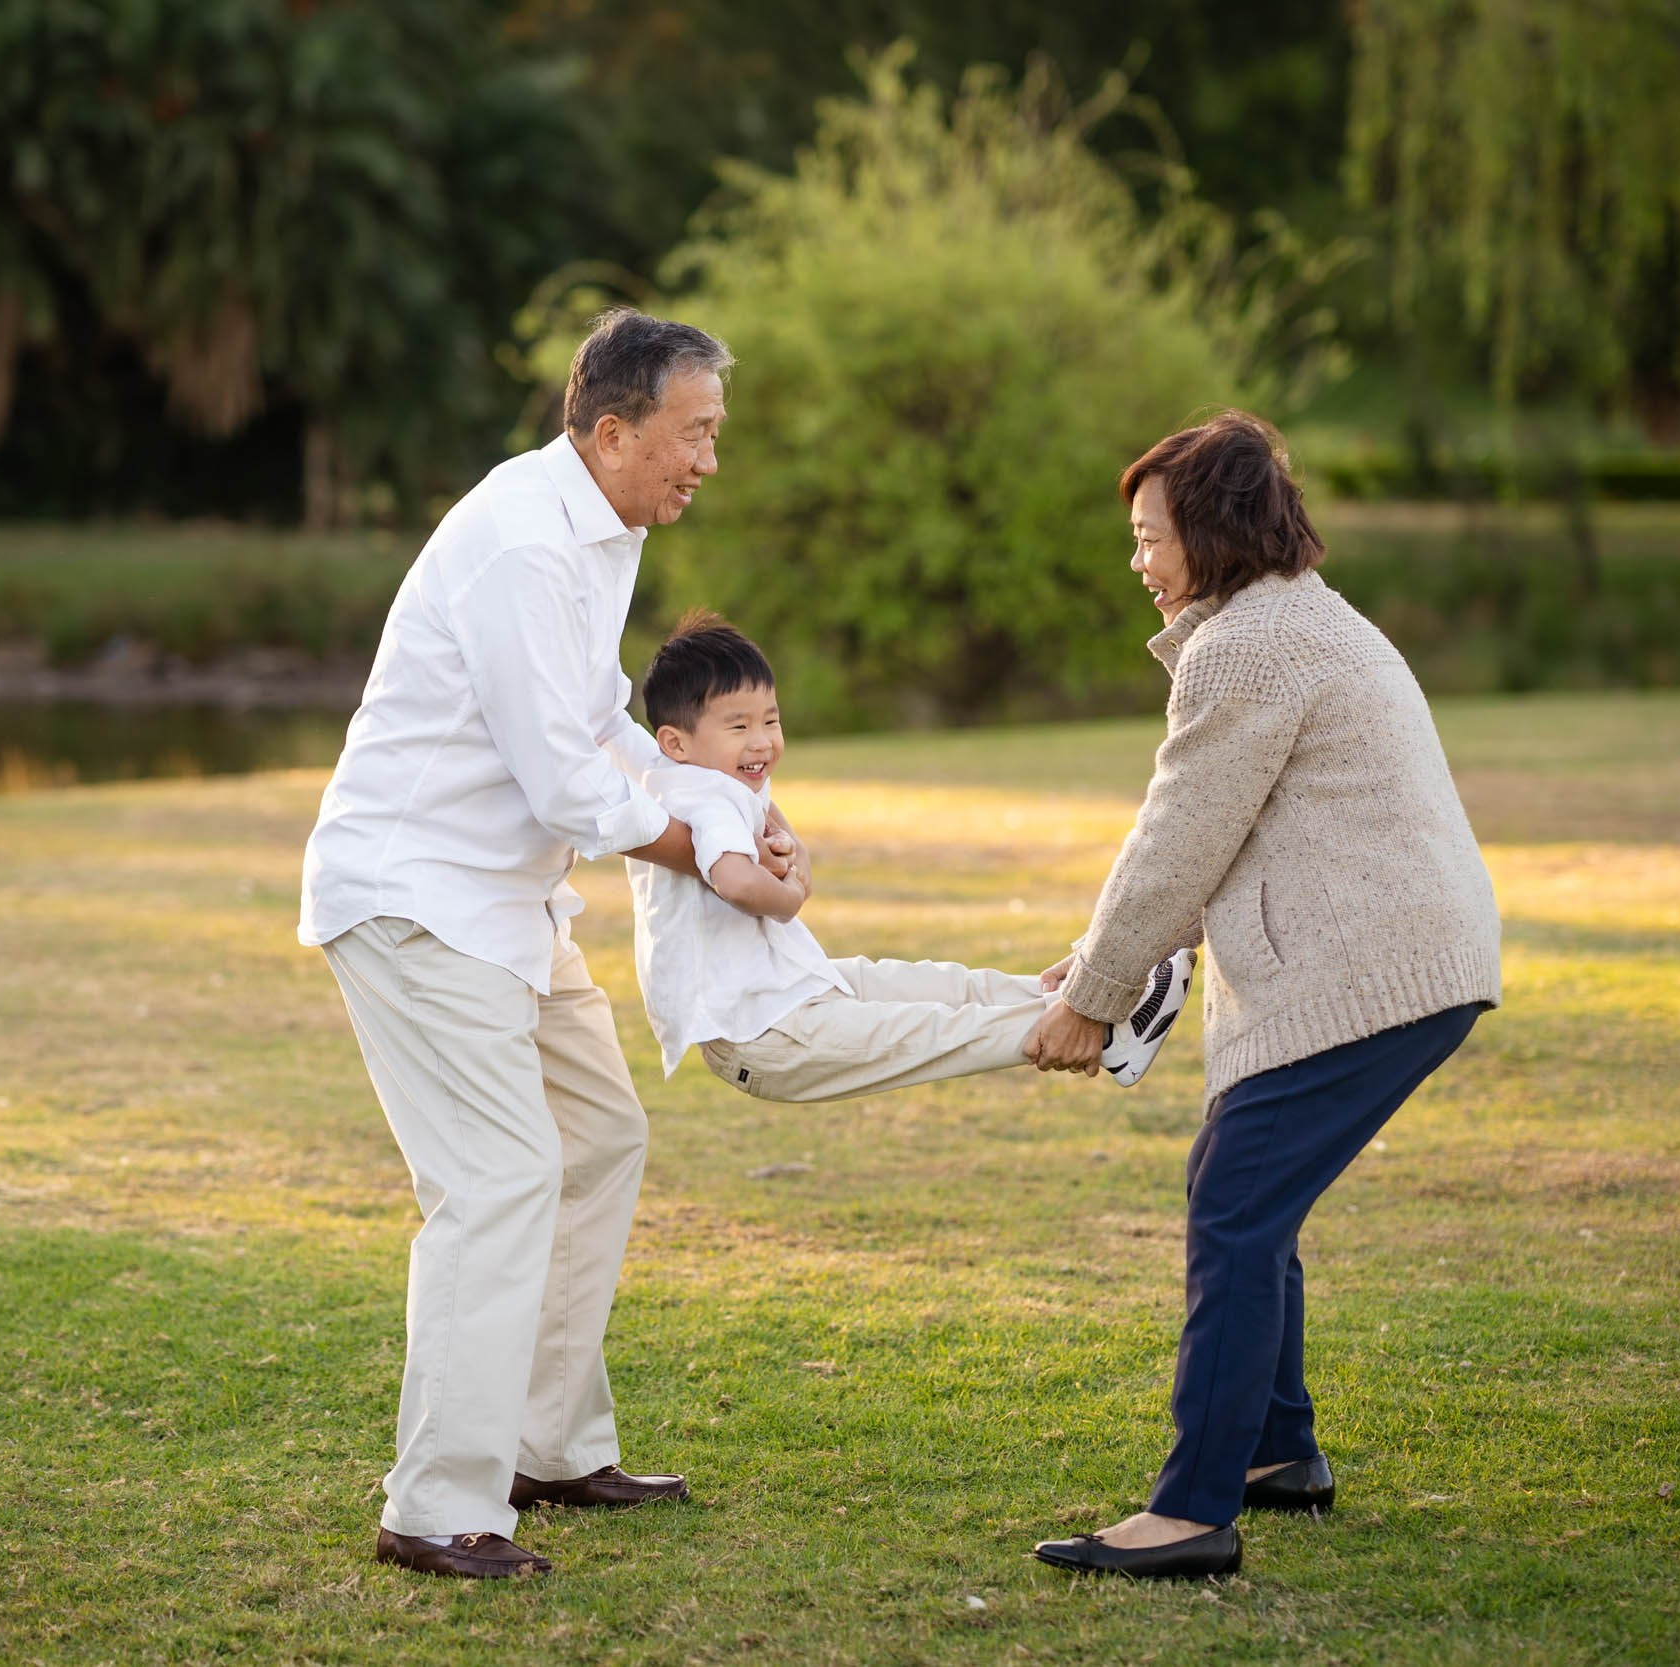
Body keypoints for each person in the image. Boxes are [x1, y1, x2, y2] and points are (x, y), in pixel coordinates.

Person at [298, 309, 775, 1580]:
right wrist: (696, 855)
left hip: (507, 906)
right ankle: (438, 1504)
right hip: (416, 897)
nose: (706, 463)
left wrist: (728, 811)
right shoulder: (521, 543)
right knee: (502, 1179)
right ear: (612, 430)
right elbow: (566, 780)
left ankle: (546, 1445)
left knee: (601, 1136)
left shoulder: (599, 529)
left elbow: (604, 726)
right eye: (694, 436)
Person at [1019, 412, 1502, 1581]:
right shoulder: (1293, 621)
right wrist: (1098, 961)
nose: (1138, 560)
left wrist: (1095, 993)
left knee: (1234, 1204)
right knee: (1246, 1192)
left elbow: (1180, 835)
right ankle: (1278, 1452)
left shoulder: (1249, 644)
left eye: (1149, 536)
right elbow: (1220, 833)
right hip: (1400, 954)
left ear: (1212, 529)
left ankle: (1192, 1511)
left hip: (1371, 968)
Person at [626, 609, 1194, 1102]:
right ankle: (1101, 1027)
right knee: (927, 1032)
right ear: (676, 741)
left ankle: (1101, 996)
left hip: (788, 991)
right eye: (739, 726)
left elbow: (766, 819)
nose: (762, 741)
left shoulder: (694, 778)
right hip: (761, 1031)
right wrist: (792, 895)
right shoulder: (707, 796)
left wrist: (790, 845)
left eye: (771, 720)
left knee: (939, 986)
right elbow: (737, 883)